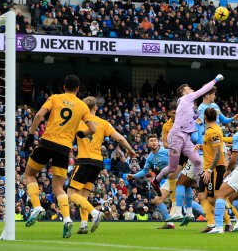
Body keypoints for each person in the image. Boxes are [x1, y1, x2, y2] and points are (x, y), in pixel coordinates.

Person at [23, 75, 96, 238]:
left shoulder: (55, 98)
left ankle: (36, 206)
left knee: (29, 174)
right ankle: (67, 218)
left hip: (47, 142)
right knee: (58, 187)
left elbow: (39, 116)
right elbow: (93, 129)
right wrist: (81, 133)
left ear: (64, 87)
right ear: (78, 89)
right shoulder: (83, 106)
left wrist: (31, 134)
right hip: (64, 148)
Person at [67, 96, 135, 234]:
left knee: (71, 193)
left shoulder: (78, 121)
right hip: (98, 162)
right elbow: (120, 138)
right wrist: (131, 150)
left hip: (84, 160)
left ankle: (94, 213)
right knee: (83, 195)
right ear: (96, 107)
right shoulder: (104, 123)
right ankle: (83, 224)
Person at [153, 74, 224, 190]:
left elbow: (190, 115)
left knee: (197, 161)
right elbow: (203, 90)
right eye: (189, 89)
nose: (192, 89)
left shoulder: (188, 104)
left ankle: (200, 186)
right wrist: (215, 80)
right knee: (172, 168)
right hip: (176, 135)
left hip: (185, 137)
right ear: (184, 93)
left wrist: (196, 118)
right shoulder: (186, 98)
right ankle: (155, 181)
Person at [127, 134, 179, 229]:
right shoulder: (150, 158)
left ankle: (211, 219)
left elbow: (180, 156)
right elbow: (144, 171)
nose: (154, 142)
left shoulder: (166, 150)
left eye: (155, 140)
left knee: (186, 202)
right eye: (151, 141)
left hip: (179, 177)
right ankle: (169, 223)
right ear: (148, 144)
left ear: (158, 142)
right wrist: (133, 175)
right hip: (170, 180)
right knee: (157, 200)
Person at [194, 108, 233, 232]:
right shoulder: (211, 130)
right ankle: (212, 223)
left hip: (214, 169)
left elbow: (218, 153)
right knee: (201, 195)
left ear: (205, 117)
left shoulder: (214, 131)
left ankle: (225, 223)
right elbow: (213, 148)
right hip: (208, 168)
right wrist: (202, 146)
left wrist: (210, 170)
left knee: (213, 198)